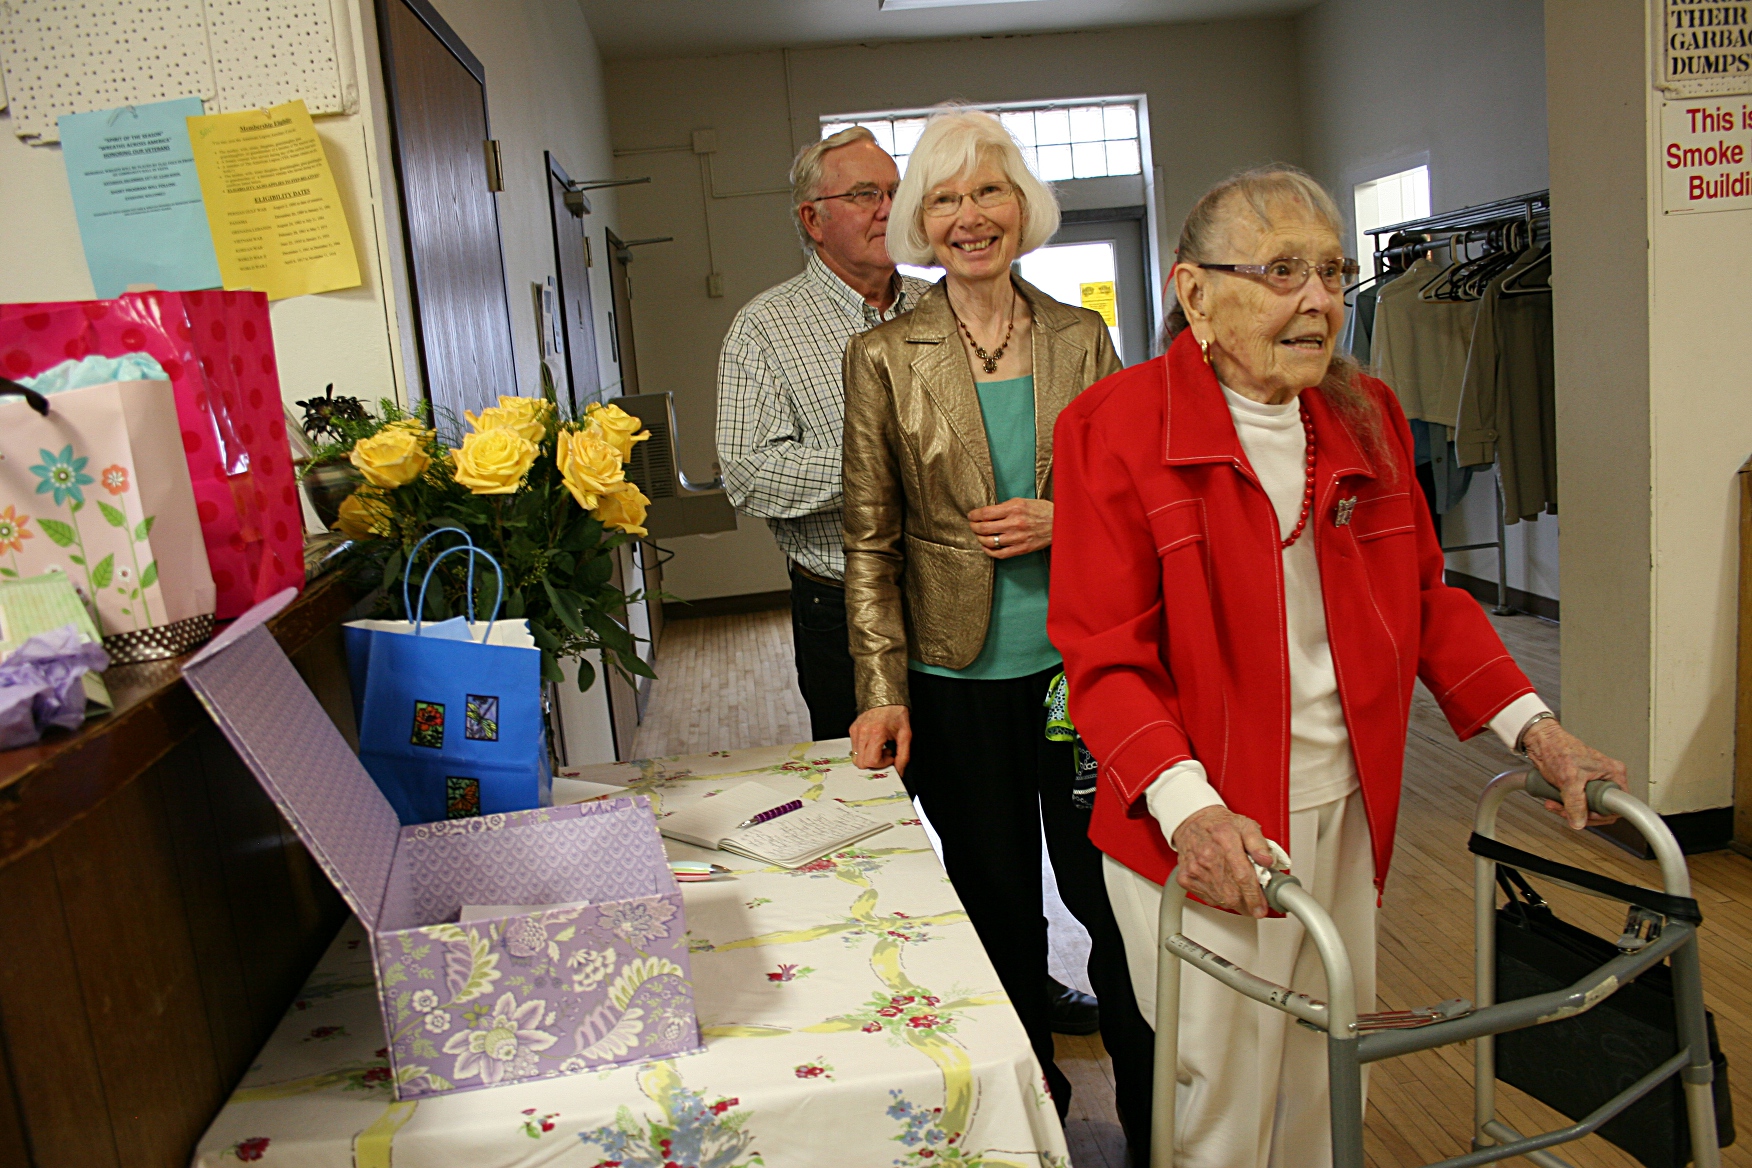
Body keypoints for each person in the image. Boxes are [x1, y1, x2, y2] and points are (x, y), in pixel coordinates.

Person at [1048, 165, 1627, 1168]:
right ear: (1195, 294)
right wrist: (1194, 813)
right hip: (1200, 819)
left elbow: (1427, 601)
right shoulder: (1115, 427)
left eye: (1332, 271)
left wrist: (1538, 728)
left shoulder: (1368, 415)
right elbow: (1106, 659)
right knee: (1223, 1095)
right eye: (1282, 271)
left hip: (1348, 801)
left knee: (1327, 1065)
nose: (1319, 299)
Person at [841, 108, 1155, 1154]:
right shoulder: (883, 356)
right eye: (945, 198)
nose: (970, 216)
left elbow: (1135, 500)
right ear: (920, 222)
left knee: (1112, 907)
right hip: (954, 678)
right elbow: (870, 539)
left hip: (1084, 675)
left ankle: (1156, 1124)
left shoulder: (1083, 338)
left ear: (1022, 206)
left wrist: (1067, 520)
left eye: (989, 191)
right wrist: (882, 690)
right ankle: (1035, 1129)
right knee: (999, 914)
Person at [716, 126, 931, 743]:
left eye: (896, 191)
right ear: (813, 219)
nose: (888, 209)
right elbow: (749, 474)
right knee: (867, 787)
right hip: (841, 610)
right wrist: (881, 465)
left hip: (955, 597)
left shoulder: (939, 305)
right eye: (866, 194)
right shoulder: (764, 328)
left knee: (969, 785)